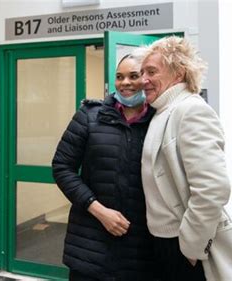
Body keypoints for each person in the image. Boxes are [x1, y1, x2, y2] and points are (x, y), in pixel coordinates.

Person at [140, 36, 232, 281]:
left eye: (151, 71)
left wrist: (191, 246)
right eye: (142, 72)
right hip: (163, 243)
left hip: (184, 247)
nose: (143, 80)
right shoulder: (161, 112)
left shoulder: (191, 110)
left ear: (179, 73)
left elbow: (213, 188)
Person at [52, 49, 158, 281]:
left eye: (133, 75)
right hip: (89, 245)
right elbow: (62, 167)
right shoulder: (90, 116)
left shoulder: (160, 121)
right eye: (119, 77)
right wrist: (98, 210)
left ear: (147, 79)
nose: (125, 83)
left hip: (141, 249)